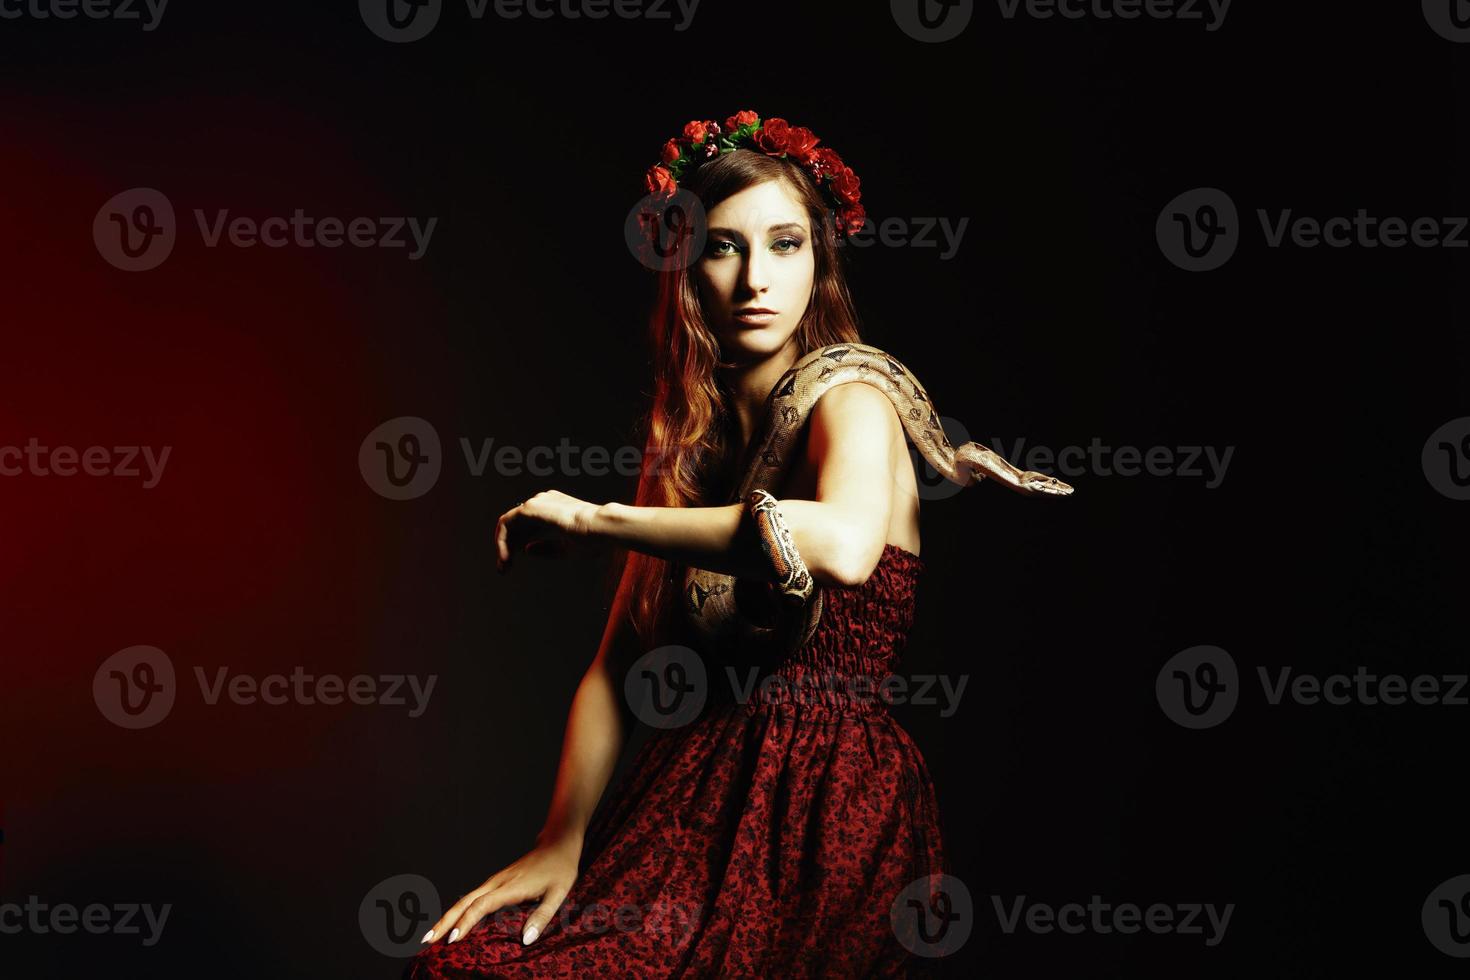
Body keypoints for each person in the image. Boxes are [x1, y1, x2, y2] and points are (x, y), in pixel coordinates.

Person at [405, 111, 950, 978]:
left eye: (785, 244)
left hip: (823, 810)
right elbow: (616, 668)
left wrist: (596, 519)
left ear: (820, 258)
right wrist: (562, 838)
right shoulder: (691, 448)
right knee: (460, 966)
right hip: (685, 803)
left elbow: (843, 545)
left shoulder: (853, 398)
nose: (756, 279)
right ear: (689, 266)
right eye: (726, 248)